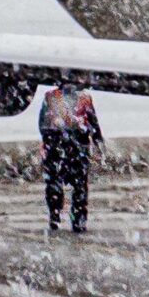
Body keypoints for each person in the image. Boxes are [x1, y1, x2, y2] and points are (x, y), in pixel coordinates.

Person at [37, 82, 102, 233]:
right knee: (75, 187)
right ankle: (72, 219)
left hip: (61, 147)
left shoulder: (53, 97)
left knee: (60, 185)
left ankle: (59, 216)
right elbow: (93, 123)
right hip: (70, 147)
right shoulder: (81, 98)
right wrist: (97, 140)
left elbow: (43, 124)